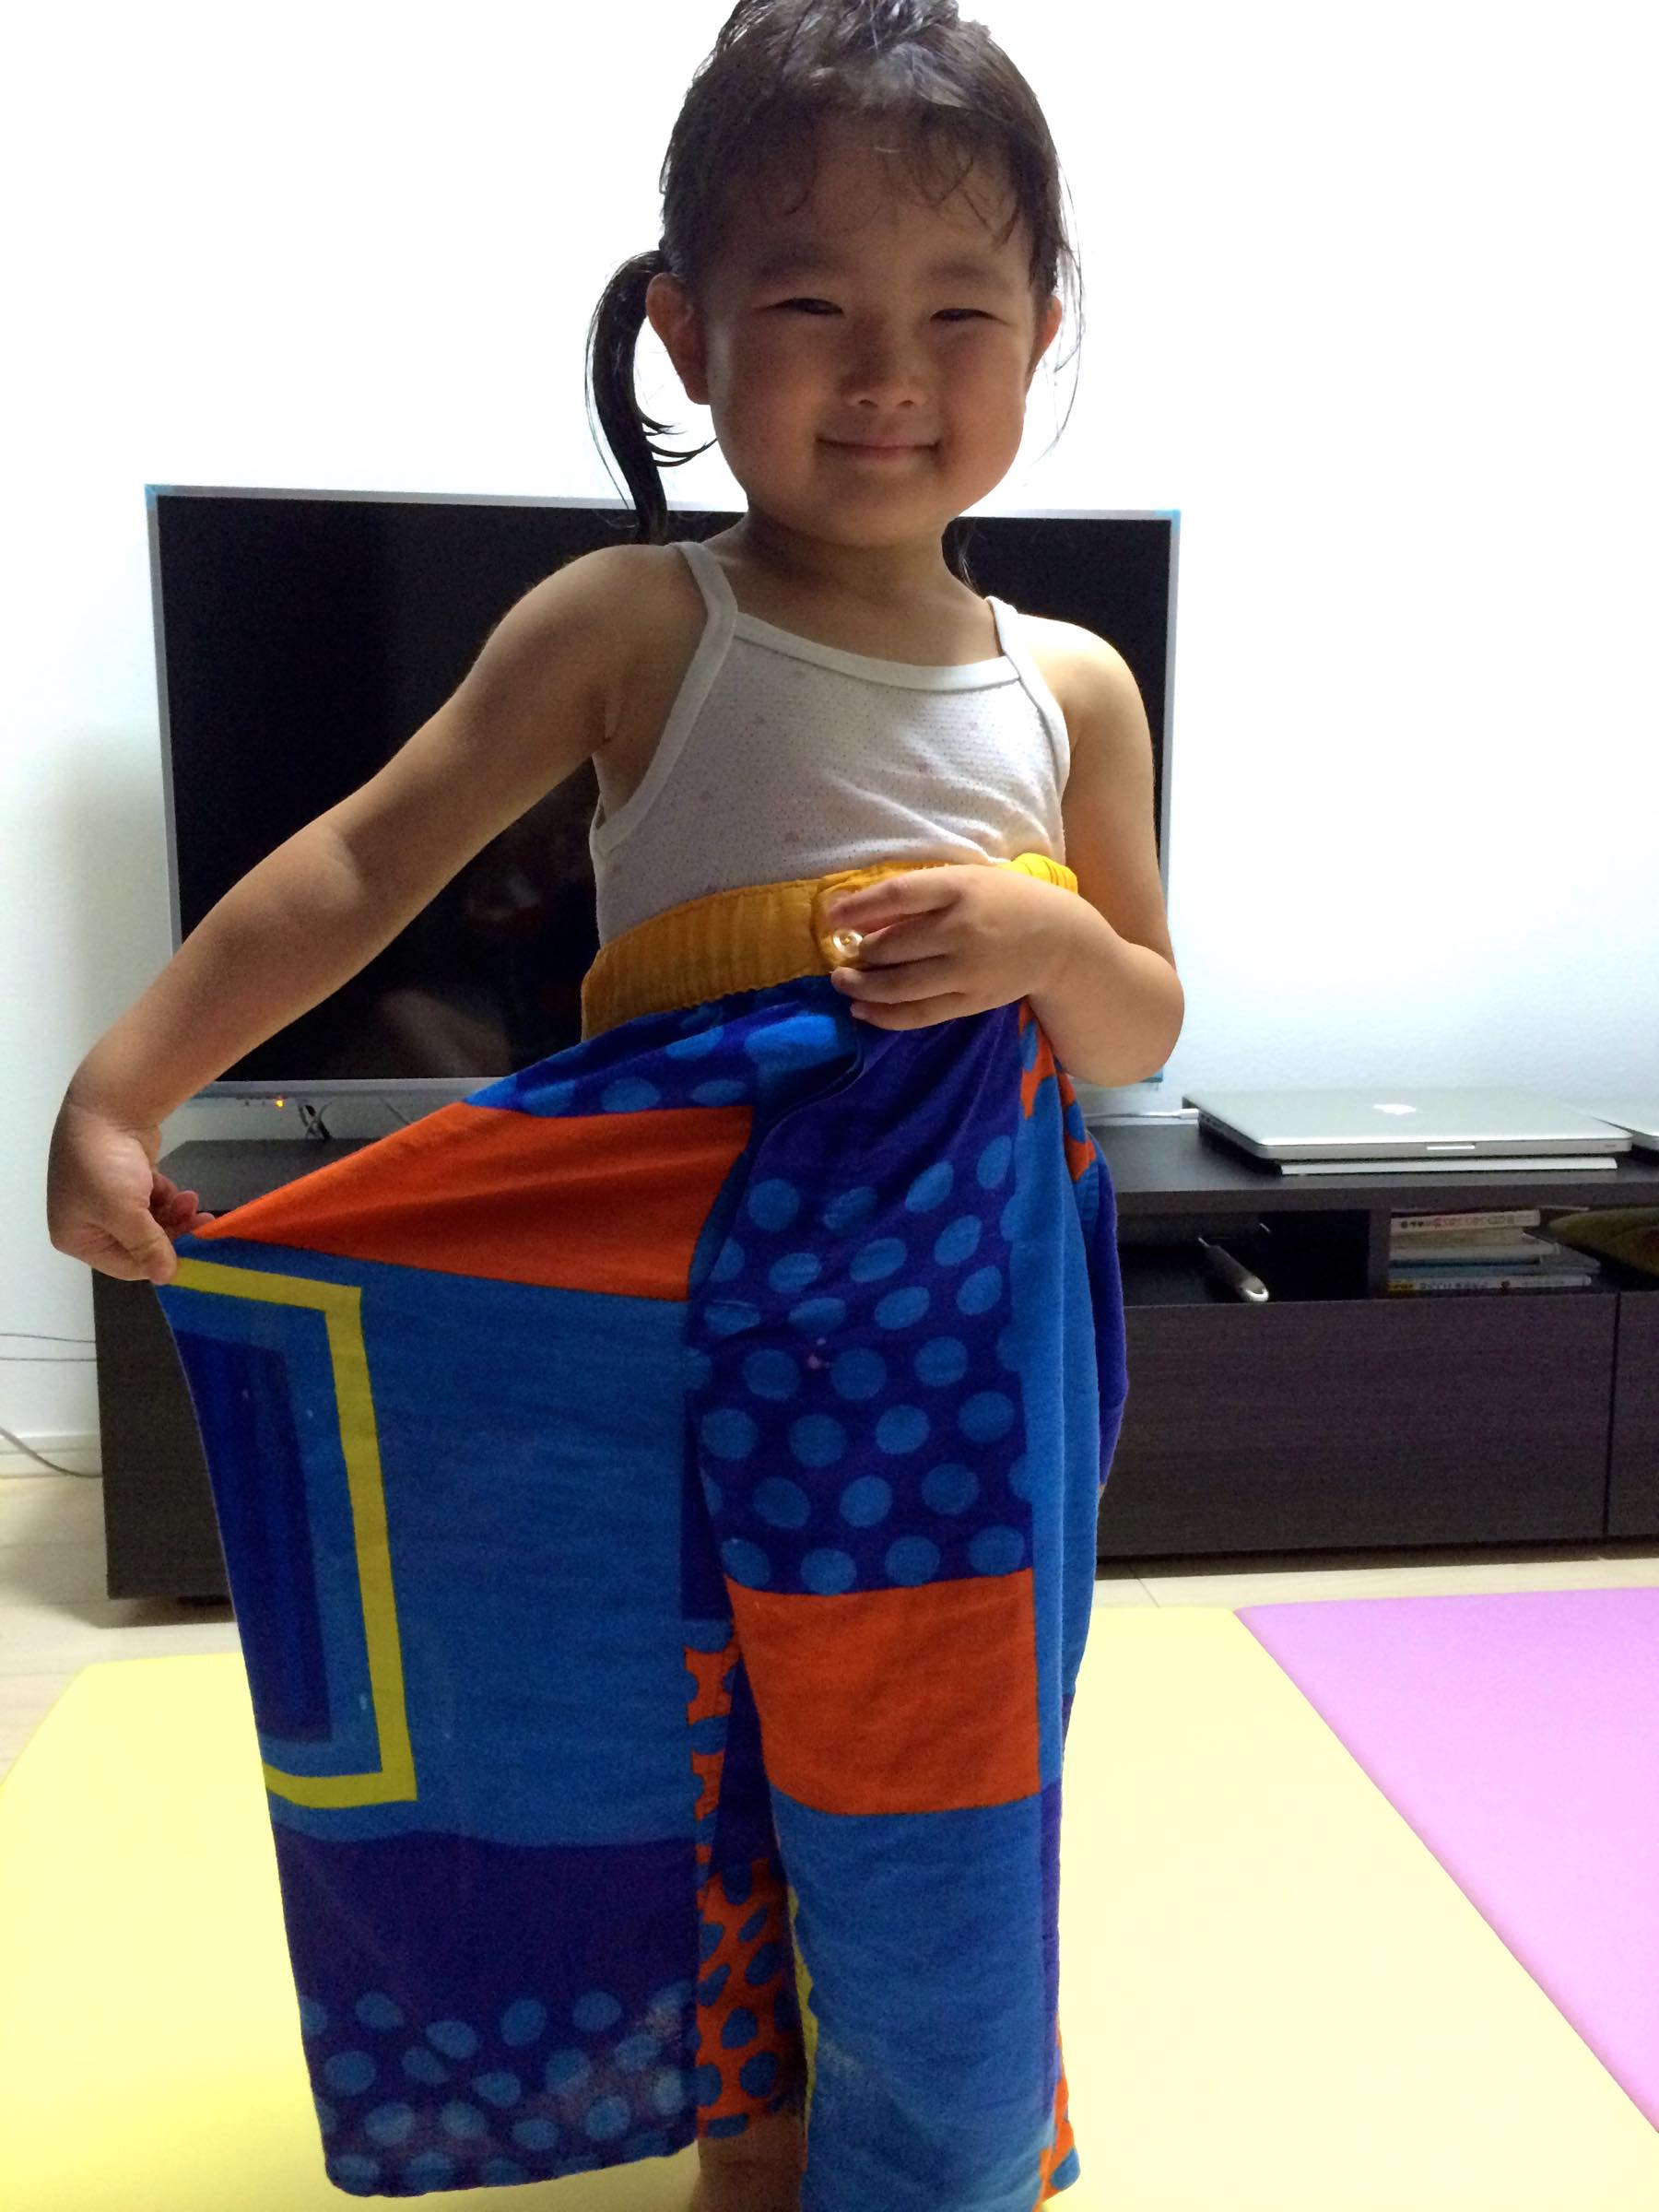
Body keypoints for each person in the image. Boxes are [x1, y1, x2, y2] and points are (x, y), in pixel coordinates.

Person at [46, 4, 1182, 2207]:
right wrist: (125, 1082)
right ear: (685, 333)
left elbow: (1138, 1026)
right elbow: (361, 862)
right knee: (672, 1734)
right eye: (812, 306)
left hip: (957, 1356)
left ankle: (932, 2150)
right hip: (662, 1313)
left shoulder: (1072, 689)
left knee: (938, 1761)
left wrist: (1044, 947)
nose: (889, 373)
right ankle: (743, 2131)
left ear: (1045, 333)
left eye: (960, 312)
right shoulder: (640, 621)